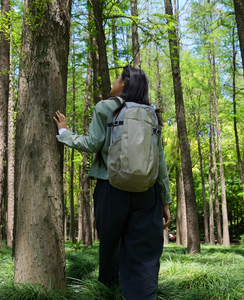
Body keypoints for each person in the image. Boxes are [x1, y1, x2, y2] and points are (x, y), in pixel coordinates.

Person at [53, 66, 171, 300]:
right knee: (145, 250)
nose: (114, 81)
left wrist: (64, 133)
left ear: (124, 83)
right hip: (147, 192)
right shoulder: (151, 114)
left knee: (110, 244)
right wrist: (165, 200)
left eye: (117, 78)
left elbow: (92, 143)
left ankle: (108, 291)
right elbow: (160, 161)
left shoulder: (106, 107)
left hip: (111, 186)